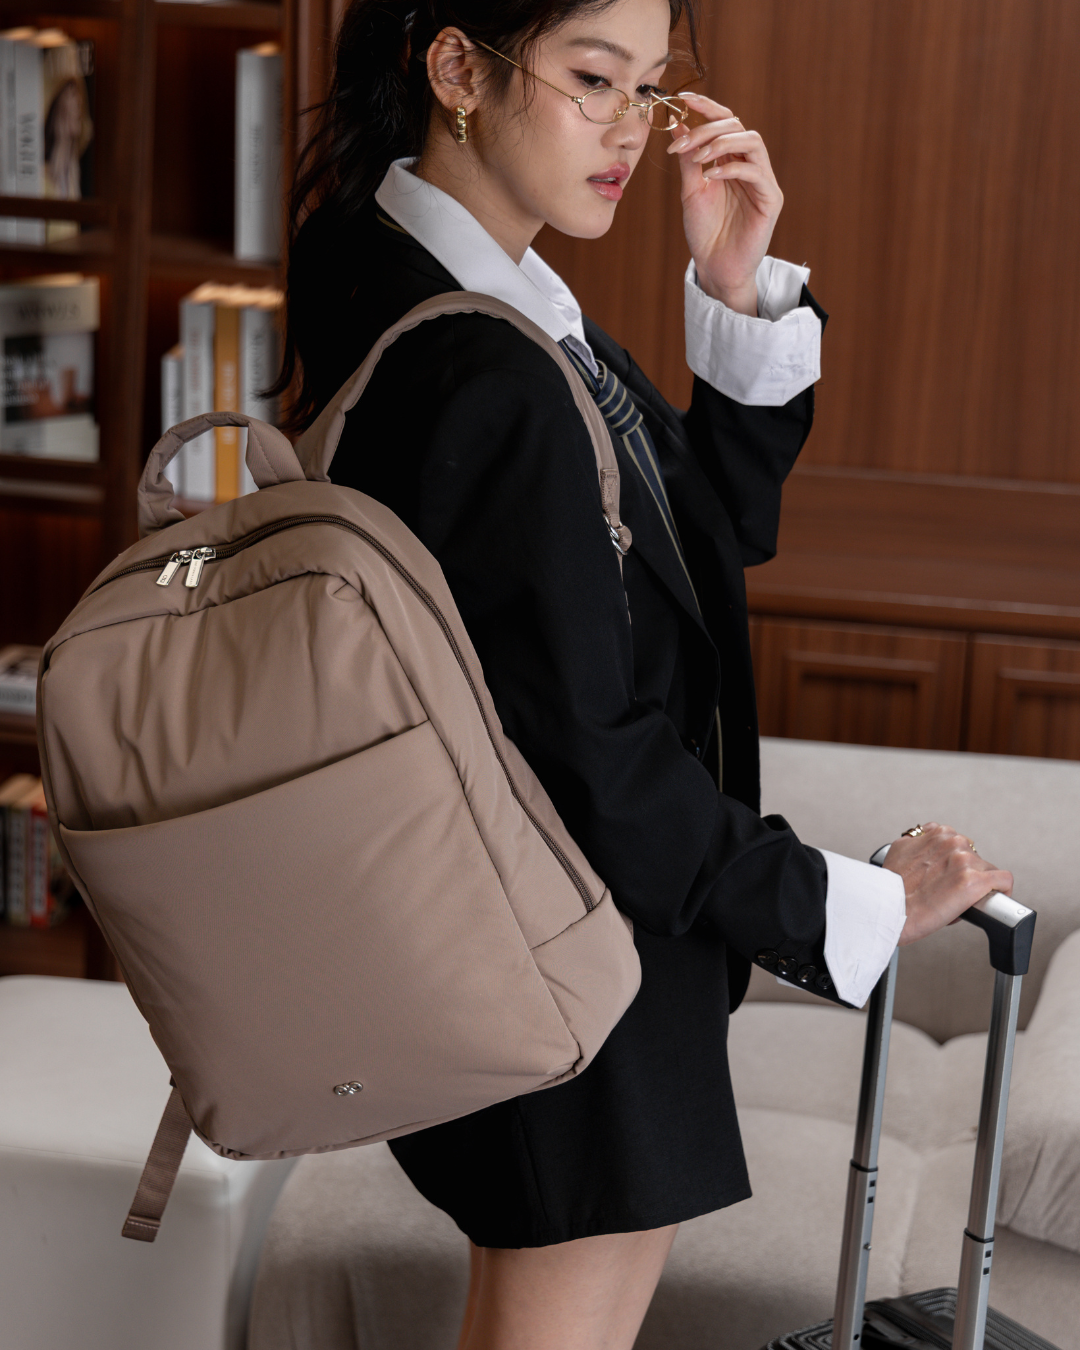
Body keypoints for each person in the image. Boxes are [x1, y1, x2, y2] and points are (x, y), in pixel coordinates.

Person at [277, 0, 1014, 1345]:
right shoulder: (479, 362)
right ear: (457, 67)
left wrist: (734, 287)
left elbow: (688, 548)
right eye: (593, 79)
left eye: (650, 88)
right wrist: (848, 901)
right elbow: (589, 761)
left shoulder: (436, 282)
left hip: (554, 938)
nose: (630, 130)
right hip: (578, 953)